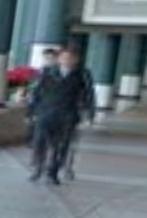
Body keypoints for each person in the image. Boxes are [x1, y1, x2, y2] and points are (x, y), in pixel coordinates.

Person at [27, 45, 96, 183]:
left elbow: (89, 94)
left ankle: (53, 171)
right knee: (40, 142)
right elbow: (36, 93)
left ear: (76, 60)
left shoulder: (82, 74)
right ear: (59, 59)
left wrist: (89, 113)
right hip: (45, 113)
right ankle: (38, 168)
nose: (67, 60)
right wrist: (31, 112)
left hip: (68, 115)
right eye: (64, 57)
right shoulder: (47, 72)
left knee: (62, 145)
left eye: (70, 58)